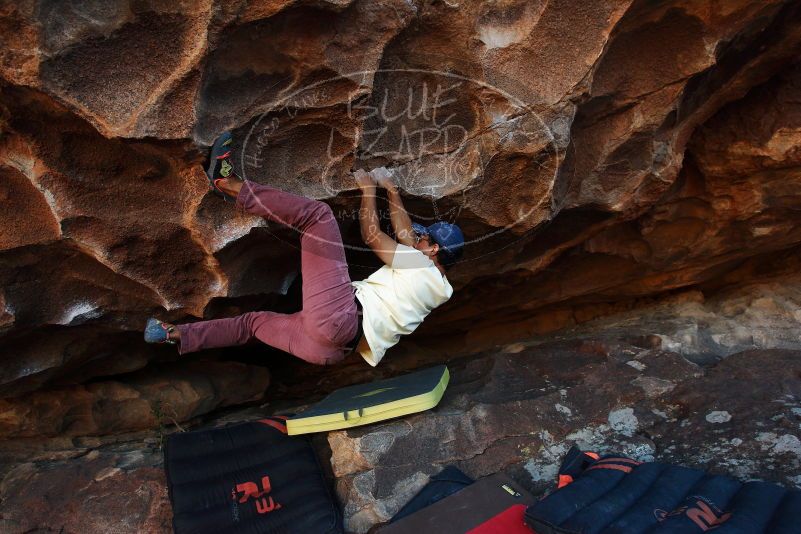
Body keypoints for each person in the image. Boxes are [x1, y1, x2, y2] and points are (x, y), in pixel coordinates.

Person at [144, 132, 464, 367]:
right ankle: (175, 334)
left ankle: (226, 183)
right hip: (327, 351)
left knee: (317, 217)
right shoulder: (438, 286)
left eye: (424, 239)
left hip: (338, 319)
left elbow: (372, 234)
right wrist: (391, 189)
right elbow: (406, 234)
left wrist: (368, 189)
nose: (416, 238)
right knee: (251, 324)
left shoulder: (420, 267)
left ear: (433, 249)